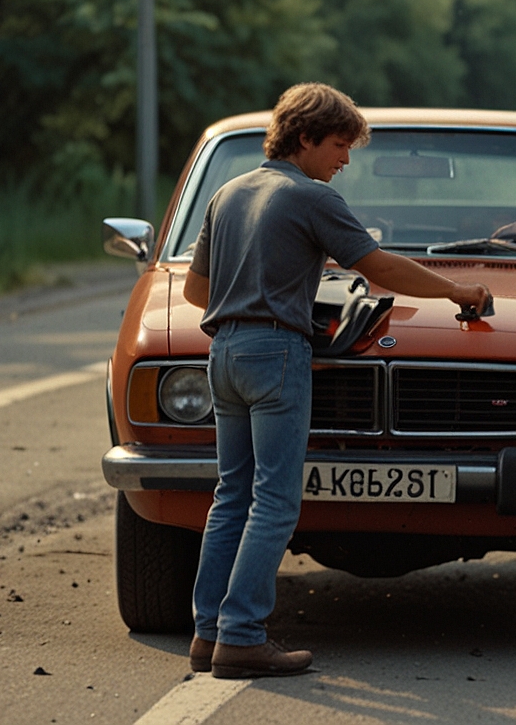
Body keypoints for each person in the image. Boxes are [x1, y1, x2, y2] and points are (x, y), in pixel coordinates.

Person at [183, 82, 492, 679]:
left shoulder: (228, 193)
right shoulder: (310, 198)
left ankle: (208, 633)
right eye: (339, 145)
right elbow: (376, 267)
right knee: (275, 500)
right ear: (304, 138)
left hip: (222, 352)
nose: (345, 160)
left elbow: (198, 291)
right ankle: (244, 636)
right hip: (276, 351)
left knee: (231, 495)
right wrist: (457, 290)